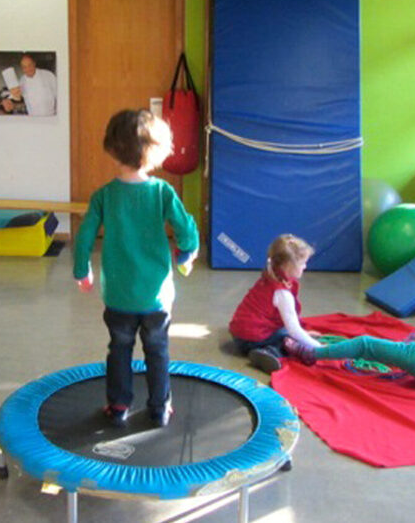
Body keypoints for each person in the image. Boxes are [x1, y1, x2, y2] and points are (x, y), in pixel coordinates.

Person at [74, 109, 199, 428]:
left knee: (119, 348)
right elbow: (185, 229)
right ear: (156, 152)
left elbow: (85, 234)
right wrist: (188, 251)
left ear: (112, 149)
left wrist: (81, 269)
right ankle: (159, 407)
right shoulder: (162, 192)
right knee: (157, 349)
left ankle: (118, 406)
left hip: (118, 294)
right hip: (156, 296)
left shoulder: (103, 195)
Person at [229, 235, 322, 374]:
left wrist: (305, 334)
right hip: (251, 340)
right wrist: (320, 348)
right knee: (290, 340)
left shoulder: (270, 276)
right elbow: (293, 330)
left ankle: (264, 349)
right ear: (288, 265)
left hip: (238, 334)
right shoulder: (282, 292)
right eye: (302, 263)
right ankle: (269, 352)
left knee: (287, 332)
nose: (305, 266)